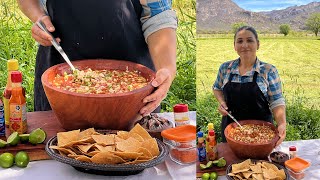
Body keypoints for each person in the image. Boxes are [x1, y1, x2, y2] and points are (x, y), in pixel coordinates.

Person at [17, 0, 177, 116]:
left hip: (133, 87)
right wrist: (39, 17)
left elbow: (157, 14)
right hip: (60, 73)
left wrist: (167, 67)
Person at [213, 26, 286, 146]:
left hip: (262, 132)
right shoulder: (225, 68)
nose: (244, 45)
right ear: (234, 46)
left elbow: (276, 101)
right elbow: (217, 88)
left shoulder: (268, 71)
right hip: (231, 129)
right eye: (240, 41)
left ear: (258, 44)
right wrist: (221, 102)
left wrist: (282, 123)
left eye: (250, 40)